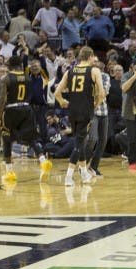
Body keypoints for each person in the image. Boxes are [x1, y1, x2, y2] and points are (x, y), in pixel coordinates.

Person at [0, 54, 52, 184]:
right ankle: (43, 161)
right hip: (27, 109)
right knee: (32, 138)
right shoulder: (28, 78)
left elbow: (2, 99)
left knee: (6, 139)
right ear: (21, 66)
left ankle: (10, 172)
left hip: (11, 109)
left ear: (9, 66)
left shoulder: (6, 79)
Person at [54, 46, 105, 186]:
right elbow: (101, 94)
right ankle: (69, 176)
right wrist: (95, 106)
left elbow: (56, 93)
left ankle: (83, 173)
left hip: (72, 111)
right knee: (78, 143)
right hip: (85, 111)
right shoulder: (94, 70)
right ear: (90, 57)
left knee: (80, 141)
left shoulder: (70, 71)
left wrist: (63, 102)